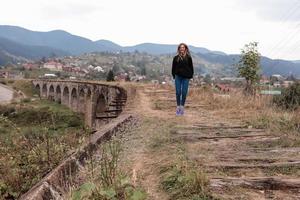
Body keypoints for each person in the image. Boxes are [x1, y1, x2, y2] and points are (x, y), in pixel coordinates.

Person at [172, 43, 194, 116]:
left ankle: (182, 108)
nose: (182, 48)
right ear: (179, 49)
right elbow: (173, 68)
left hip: (186, 78)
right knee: (178, 92)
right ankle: (178, 107)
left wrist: (190, 76)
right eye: (180, 47)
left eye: (183, 47)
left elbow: (191, 68)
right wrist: (174, 75)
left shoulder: (188, 58)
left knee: (184, 92)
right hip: (178, 77)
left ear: (185, 49)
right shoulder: (175, 58)